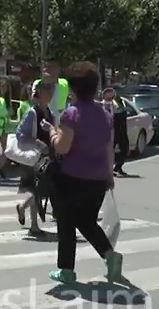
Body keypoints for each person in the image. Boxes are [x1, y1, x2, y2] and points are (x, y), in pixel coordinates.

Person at [47, 61, 123, 284]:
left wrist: (52, 133)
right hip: (99, 178)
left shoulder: (71, 114)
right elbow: (109, 149)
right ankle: (110, 255)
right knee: (87, 221)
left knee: (66, 223)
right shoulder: (105, 116)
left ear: (73, 88)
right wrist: (109, 176)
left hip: (72, 177)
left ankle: (66, 270)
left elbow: (63, 147)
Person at [15, 79, 55, 236]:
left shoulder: (49, 113)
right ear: (40, 94)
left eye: (51, 91)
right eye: (47, 91)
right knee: (36, 188)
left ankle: (24, 209)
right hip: (33, 155)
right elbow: (20, 133)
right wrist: (37, 142)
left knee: (40, 189)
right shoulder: (32, 113)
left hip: (45, 156)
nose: (50, 95)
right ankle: (34, 225)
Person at [102, 87, 130, 176]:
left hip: (122, 129)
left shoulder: (121, 102)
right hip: (111, 130)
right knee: (109, 150)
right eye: (108, 93)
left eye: (111, 92)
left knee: (124, 148)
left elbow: (124, 113)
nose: (110, 94)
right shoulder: (104, 104)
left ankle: (118, 166)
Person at [33, 59, 69, 126]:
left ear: (58, 69)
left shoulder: (64, 83)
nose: (47, 69)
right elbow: (34, 101)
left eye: (51, 67)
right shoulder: (38, 83)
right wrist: (45, 82)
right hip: (43, 119)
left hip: (60, 120)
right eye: (45, 66)